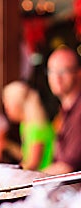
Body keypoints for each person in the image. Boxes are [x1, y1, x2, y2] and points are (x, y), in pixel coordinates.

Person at [43, 46, 81, 174]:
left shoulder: (79, 112)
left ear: (79, 73)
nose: (57, 78)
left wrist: (29, 181)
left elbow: (67, 167)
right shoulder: (64, 110)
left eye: (64, 71)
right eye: (51, 71)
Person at [2, 80, 55, 170]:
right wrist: (8, 145)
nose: (6, 109)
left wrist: (9, 173)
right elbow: (27, 156)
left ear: (18, 105)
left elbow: (32, 164)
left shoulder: (37, 127)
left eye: (7, 104)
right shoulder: (25, 125)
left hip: (43, 179)